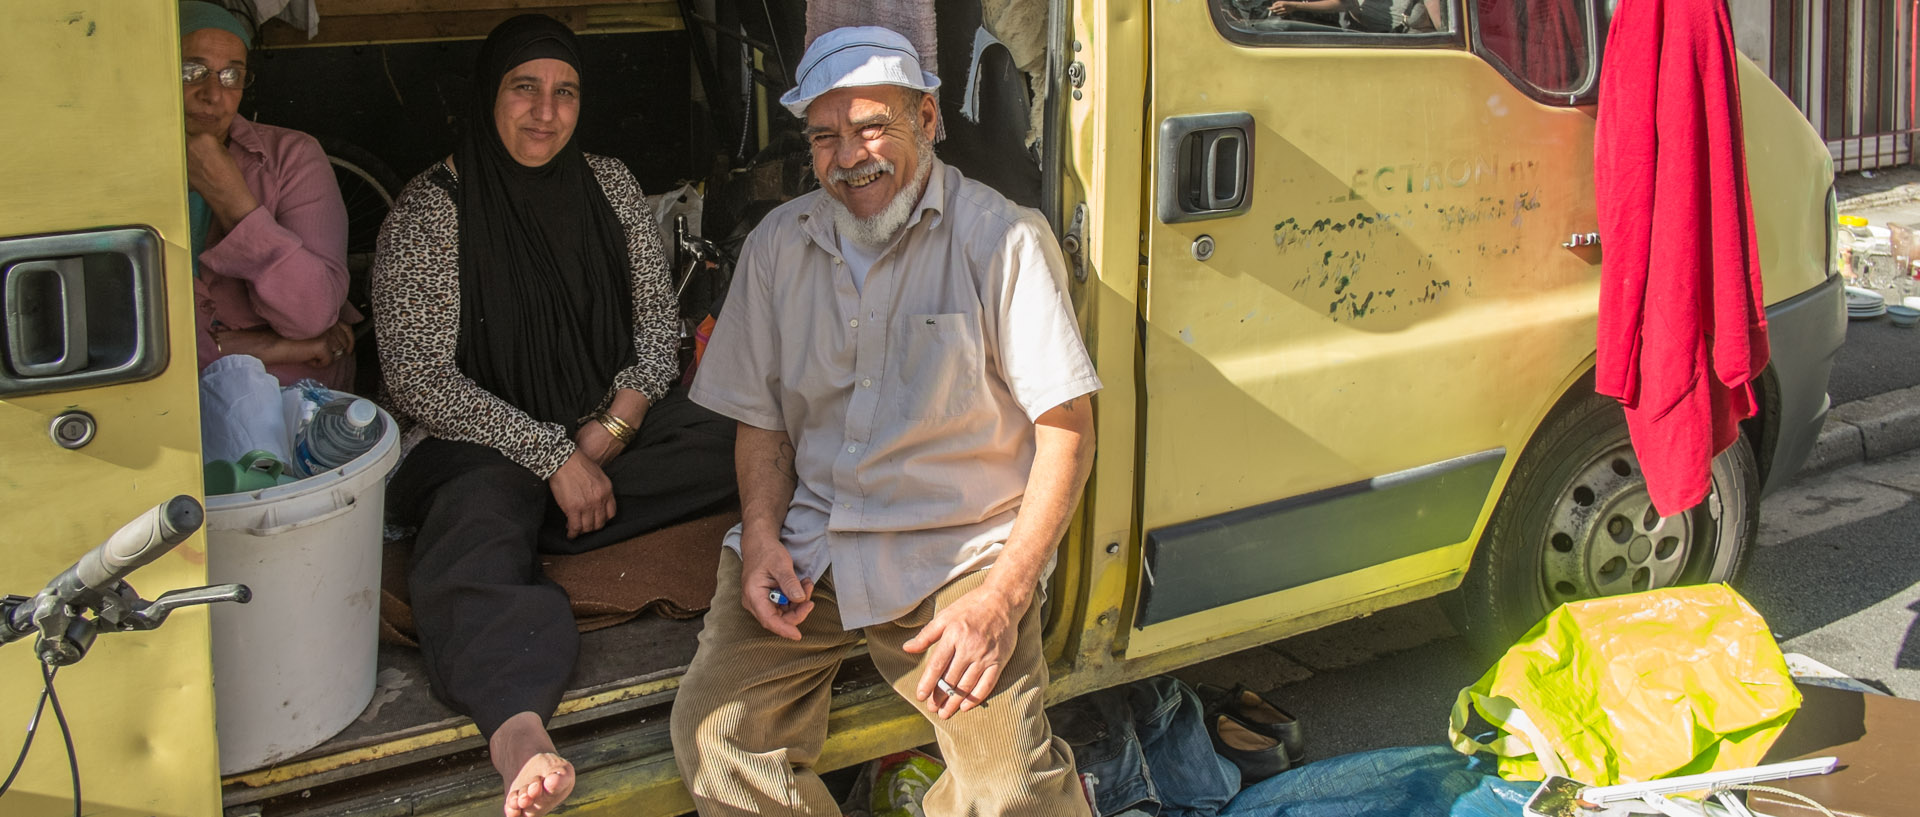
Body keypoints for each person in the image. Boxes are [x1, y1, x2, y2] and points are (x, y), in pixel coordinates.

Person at [671, 26, 1102, 816]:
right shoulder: (776, 245)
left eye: (873, 126)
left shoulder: (1001, 237)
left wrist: (1003, 597)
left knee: (1008, 791)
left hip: (956, 555)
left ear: (928, 121)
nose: (849, 157)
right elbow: (761, 420)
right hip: (814, 548)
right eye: (826, 137)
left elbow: (1067, 427)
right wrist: (762, 533)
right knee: (716, 739)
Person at [369, 14, 737, 817]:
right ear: (488, 96)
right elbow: (418, 378)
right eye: (524, 89)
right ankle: (516, 729)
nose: (546, 112)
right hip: (482, 445)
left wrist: (613, 427)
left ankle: (550, 521)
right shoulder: (433, 211)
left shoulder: (607, 183)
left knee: (742, 440)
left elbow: (656, 329)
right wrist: (550, 458)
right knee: (470, 524)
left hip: (605, 429)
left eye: (565, 92)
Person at [178, 1, 358, 389]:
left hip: (286, 395)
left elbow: (314, 316)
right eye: (191, 70)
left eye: (232, 75)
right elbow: (129, 340)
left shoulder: (292, 157)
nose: (213, 93)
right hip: (163, 398)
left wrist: (234, 202)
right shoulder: (114, 170)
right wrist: (268, 345)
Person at [1267, 0, 1445, 32]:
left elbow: (1345, 3)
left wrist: (1294, 6)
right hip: (1398, 35)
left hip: (1417, 15)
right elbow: (1346, 5)